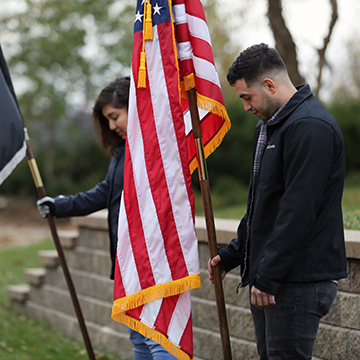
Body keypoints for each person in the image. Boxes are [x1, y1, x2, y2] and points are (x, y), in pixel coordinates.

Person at [208, 43, 347, 359]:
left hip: (296, 280)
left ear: (269, 85)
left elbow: (299, 210)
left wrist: (268, 276)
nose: (245, 107)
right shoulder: (275, 126)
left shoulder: (309, 127)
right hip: (278, 277)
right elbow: (263, 203)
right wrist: (234, 253)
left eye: (247, 97)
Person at [37, 76, 176, 360]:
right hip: (126, 262)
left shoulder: (153, 149)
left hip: (151, 262)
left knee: (158, 341)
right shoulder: (122, 152)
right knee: (138, 339)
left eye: (115, 117)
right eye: (107, 120)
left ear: (134, 108)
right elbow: (105, 194)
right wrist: (59, 205)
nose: (111, 126)